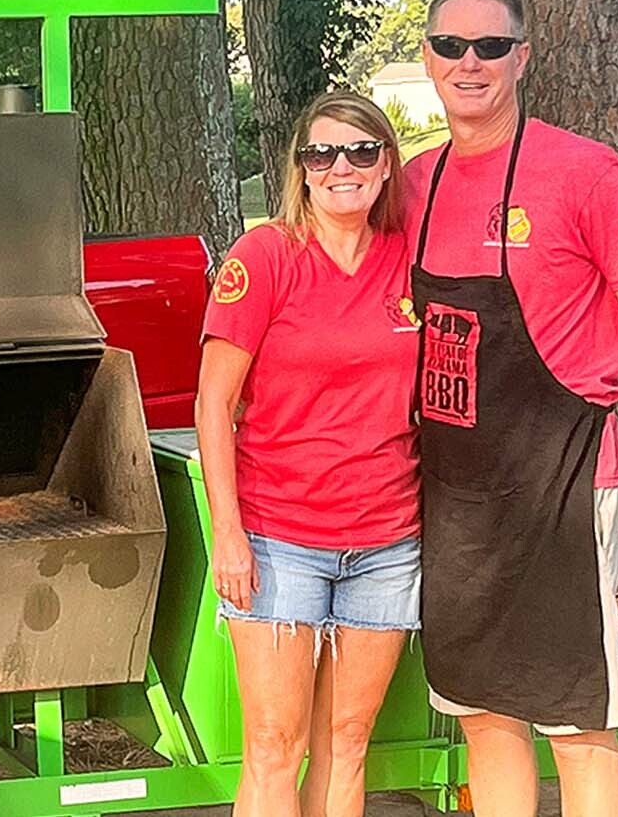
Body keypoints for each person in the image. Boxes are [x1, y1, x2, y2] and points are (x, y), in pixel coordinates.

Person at [406, 0, 618, 817]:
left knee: (575, 717)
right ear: (428, 58)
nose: (469, 64)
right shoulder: (413, 182)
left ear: (522, 58)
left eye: (491, 47)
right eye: (450, 46)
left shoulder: (586, 172)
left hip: (564, 486)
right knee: (483, 711)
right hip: (456, 496)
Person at [196, 91, 421, 817]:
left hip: (388, 538)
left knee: (348, 739)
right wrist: (226, 532)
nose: (341, 167)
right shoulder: (264, 256)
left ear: (387, 164)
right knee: (272, 743)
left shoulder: (412, 258)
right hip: (277, 536)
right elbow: (211, 404)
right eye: (321, 153)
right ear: (299, 169)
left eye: (360, 151)